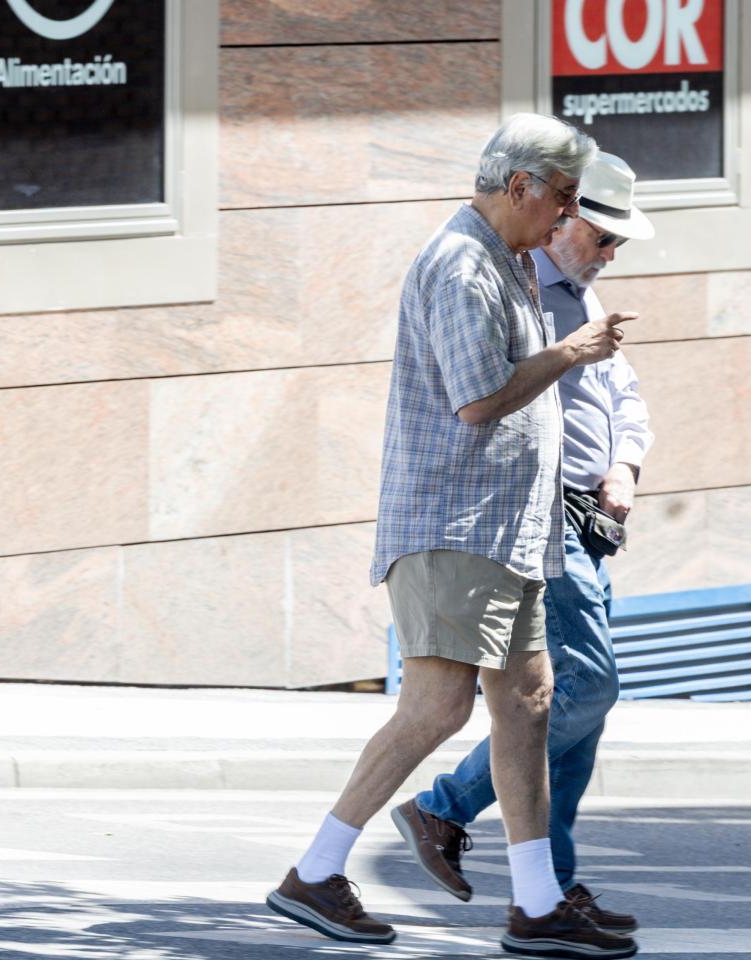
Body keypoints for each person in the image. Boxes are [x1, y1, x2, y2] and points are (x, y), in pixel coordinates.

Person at [264, 114, 639, 960]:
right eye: (565, 199)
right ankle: (316, 872)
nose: (567, 218)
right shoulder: (461, 263)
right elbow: (477, 398)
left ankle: (538, 904)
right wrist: (570, 352)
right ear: (520, 187)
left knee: (530, 702)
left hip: (506, 531)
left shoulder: (502, 258)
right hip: (455, 524)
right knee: (436, 707)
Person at [390, 152, 656, 936]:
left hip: (590, 517)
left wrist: (624, 464)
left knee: (572, 710)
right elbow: (482, 399)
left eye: (619, 246)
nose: (610, 255)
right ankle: (444, 808)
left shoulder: (579, 292)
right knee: (582, 690)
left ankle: (551, 889)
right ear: (560, 212)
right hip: (539, 516)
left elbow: (628, 398)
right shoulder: (517, 287)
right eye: (602, 237)